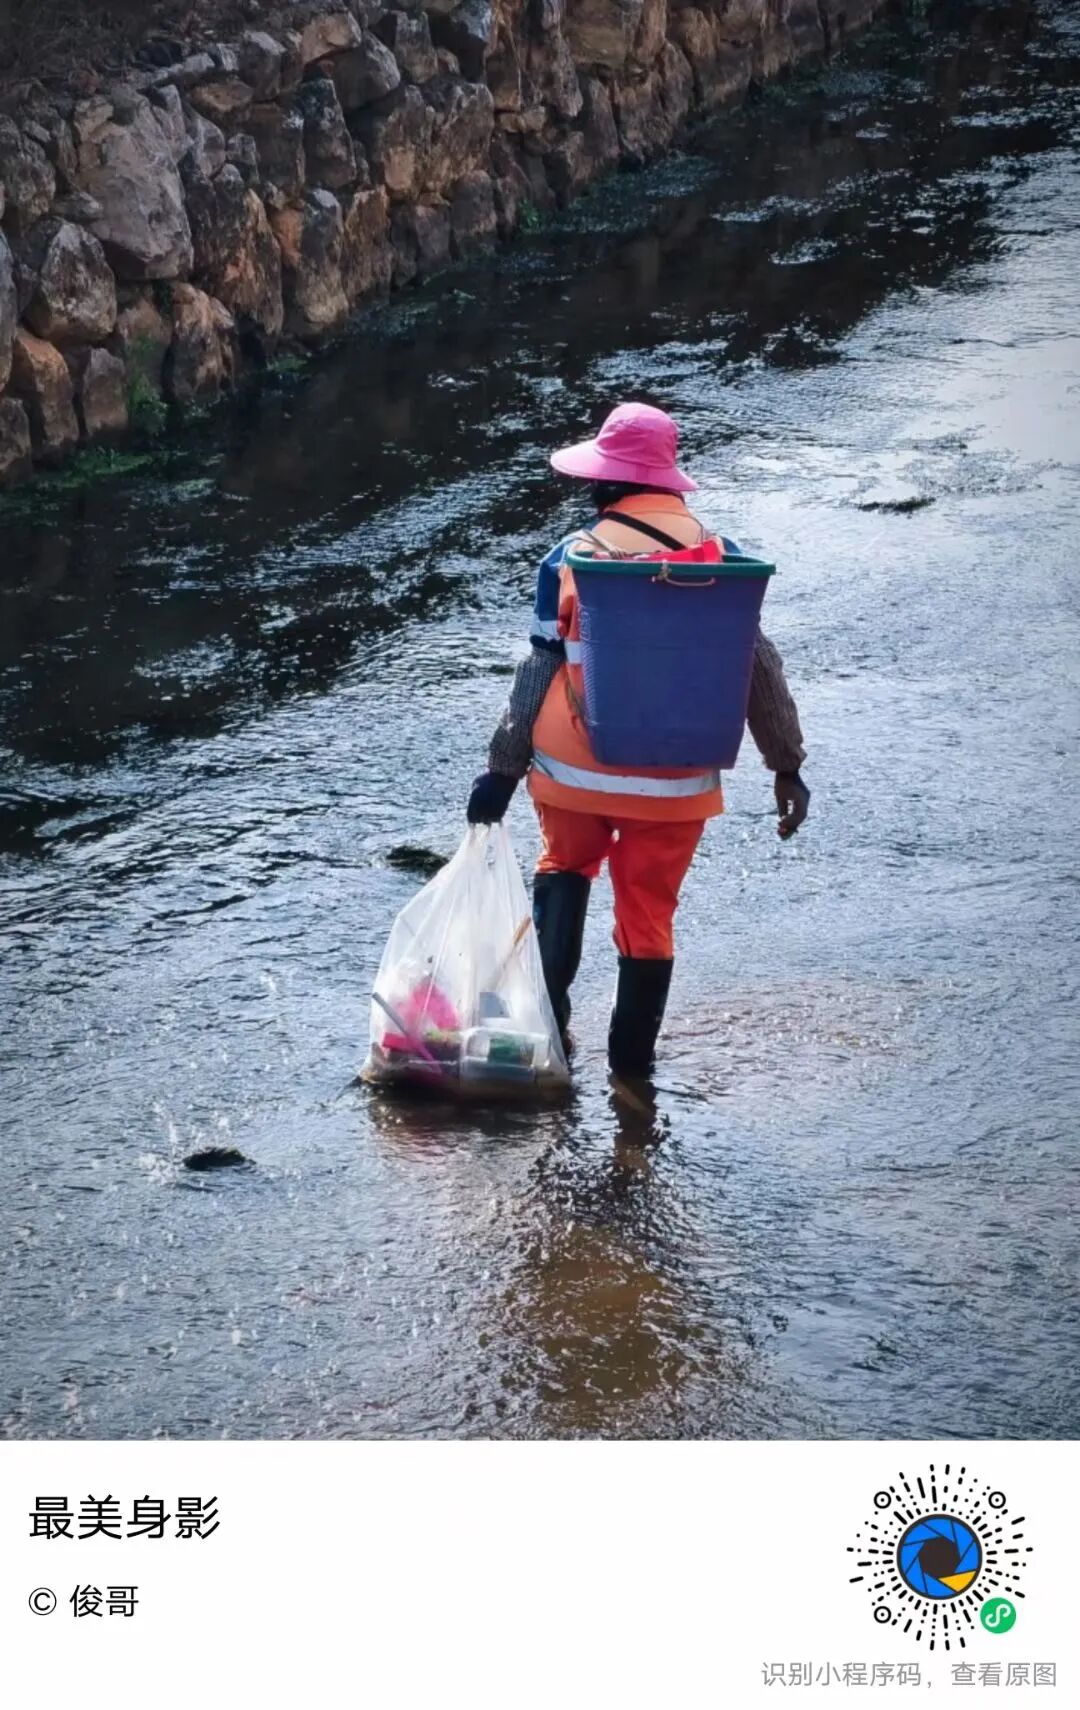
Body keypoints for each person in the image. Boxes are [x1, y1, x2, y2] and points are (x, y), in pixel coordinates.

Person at [466, 402, 810, 1079]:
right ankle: (631, 1076)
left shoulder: (571, 556)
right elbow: (760, 669)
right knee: (649, 917)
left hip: (572, 770)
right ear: (667, 482)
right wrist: (786, 766)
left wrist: (501, 769)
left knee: (564, 868)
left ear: (604, 482)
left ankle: (550, 1041)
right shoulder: (724, 561)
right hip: (675, 783)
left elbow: (539, 668)